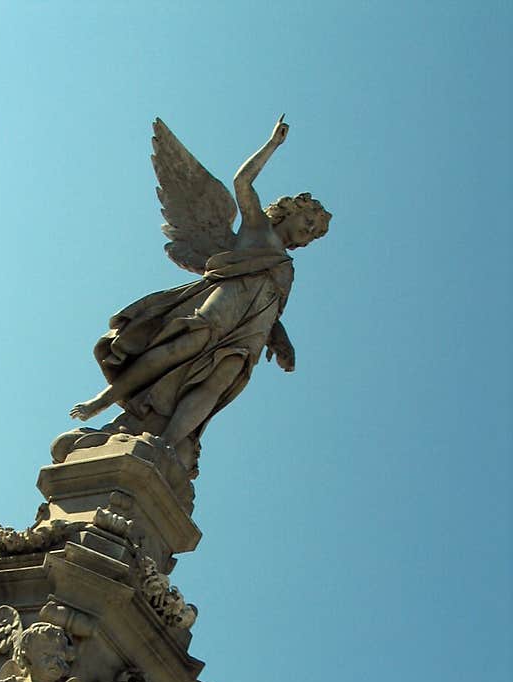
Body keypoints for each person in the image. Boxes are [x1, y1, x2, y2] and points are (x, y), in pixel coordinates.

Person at [71, 117, 330, 461]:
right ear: (287, 212)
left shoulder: (287, 269)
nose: (309, 231)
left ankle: (168, 444)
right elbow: (242, 183)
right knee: (189, 340)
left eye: (314, 232)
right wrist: (272, 145)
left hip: (252, 327)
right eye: (308, 220)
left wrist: (281, 341)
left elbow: (272, 309)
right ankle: (104, 399)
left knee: (221, 378)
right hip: (227, 300)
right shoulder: (258, 230)